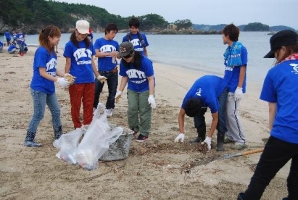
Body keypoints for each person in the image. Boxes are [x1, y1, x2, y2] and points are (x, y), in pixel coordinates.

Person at [237, 30, 298, 200]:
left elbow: (273, 108)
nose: (275, 57)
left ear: (284, 49)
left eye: (276, 53)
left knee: (261, 178)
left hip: (285, 133)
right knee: (296, 181)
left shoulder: (276, 72)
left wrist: (273, 133)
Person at [25, 25, 71, 147]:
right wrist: (58, 80)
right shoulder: (41, 51)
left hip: (50, 88)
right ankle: (29, 139)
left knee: (56, 111)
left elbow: (52, 68)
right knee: (39, 114)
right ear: (50, 37)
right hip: (39, 88)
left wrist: (65, 75)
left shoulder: (52, 51)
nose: (59, 40)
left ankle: (58, 135)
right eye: (57, 37)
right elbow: (42, 72)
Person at [115, 41, 156, 142]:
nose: (126, 59)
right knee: (132, 109)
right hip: (132, 88)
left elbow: (151, 79)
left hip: (145, 89)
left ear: (132, 52)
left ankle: (144, 132)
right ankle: (133, 129)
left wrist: (151, 95)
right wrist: (120, 91)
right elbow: (125, 77)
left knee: (144, 110)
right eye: (123, 56)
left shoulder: (145, 62)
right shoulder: (124, 62)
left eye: (127, 56)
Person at [63, 20, 101, 130]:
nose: (83, 36)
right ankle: (77, 126)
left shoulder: (89, 44)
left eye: (85, 34)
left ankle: (87, 125)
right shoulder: (69, 45)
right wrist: (66, 77)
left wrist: (97, 75)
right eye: (81, 34)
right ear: (76, 31)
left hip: (89, 79)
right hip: (76, 80)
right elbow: (68, 63)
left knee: (89, 104)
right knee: (76, 105)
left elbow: (92, 61)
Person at [174, 75, 228, 151]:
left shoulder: (210, 100)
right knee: (197, 115)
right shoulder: (188, 98)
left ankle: (220, 142)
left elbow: (215, 119)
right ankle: (201, 137)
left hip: (221, 87)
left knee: (221, 115)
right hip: (205, 84)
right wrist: (181, 132)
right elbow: (181, 115)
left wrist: (209, 137)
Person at [221, 24, 248, 150]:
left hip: (235, 87)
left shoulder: (241, 49)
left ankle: (241, 139)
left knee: (233, 114)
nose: (222, 37)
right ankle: (231, 135)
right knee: (227, 113)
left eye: (223, 35)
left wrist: (239, 87)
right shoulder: (229, 50)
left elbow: (242, 68)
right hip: (227, 86)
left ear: (228, 36)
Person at [93, 23, 119, 117]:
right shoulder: (99, 41)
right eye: (112, 32)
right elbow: (96, 54)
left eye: (115, 33)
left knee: (112, 92)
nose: (114, 35)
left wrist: (117, 54)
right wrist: (109, 54)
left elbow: (119, 56)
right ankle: (94, 107)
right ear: (107, 31)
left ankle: (109, 108)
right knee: (96, 91)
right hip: (101, 71)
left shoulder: (115, 43)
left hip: (113, 71)